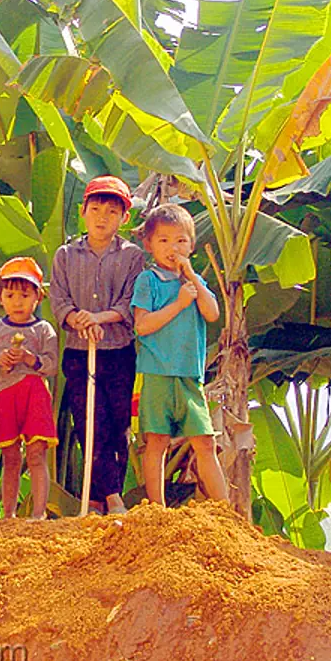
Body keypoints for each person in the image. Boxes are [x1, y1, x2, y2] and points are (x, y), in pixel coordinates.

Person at [50, 175, 144, 515]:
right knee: (90, 422)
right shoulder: (65, 255)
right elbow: (58, 298)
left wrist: (98, 319)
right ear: (83, 212)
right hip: (78, 352)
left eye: (111, 211)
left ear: (124, 218)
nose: (102, 216)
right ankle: (111, 497)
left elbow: (128, 303)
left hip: (118, 352)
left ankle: (102, 497)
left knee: (118, 425)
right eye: (96, 209)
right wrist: (77, 319)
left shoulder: (133, 257)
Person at [131, 203, 228, 505]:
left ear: (192, 244)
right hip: (158, 373)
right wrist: (179, 304)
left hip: (189, 376)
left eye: (181, 240)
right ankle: (156, 510)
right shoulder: (148, 281)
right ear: (149, 245)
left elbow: (212, 314)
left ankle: (226, 511)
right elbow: (143, 325)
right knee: (156, 441)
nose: (173, 247)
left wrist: (192, 279)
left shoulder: (194, 283)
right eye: (164, 240)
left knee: (205, 442)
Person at [0, 257, 59, 520]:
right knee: (10, 456)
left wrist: (28, 359)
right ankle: (7, 515)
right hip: (2, 394)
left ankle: (38, 513)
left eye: (24, 294)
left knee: (36, 454)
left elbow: (52, 365)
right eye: (10, 295)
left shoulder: (44, 329)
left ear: (38, 297)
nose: (17, 301)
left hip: (34, 394)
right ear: (1, 298)